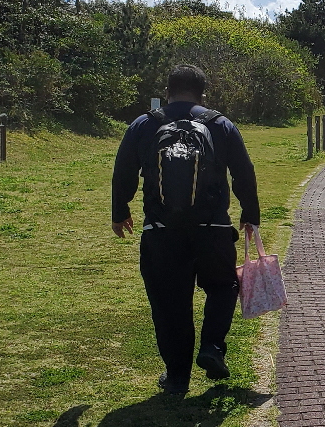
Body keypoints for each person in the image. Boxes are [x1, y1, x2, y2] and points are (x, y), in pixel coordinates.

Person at [111, 65, 260, 394]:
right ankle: (211, 348)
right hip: (213, 229)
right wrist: (250, 214)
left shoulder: (145, 124)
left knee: (169, 303)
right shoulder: (220, 124)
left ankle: (177, 378)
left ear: (167, 90)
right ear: (202, 92)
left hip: (161, 230)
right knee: (223, 287)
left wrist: (119, 211)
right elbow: (243, 172)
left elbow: (124, 169)